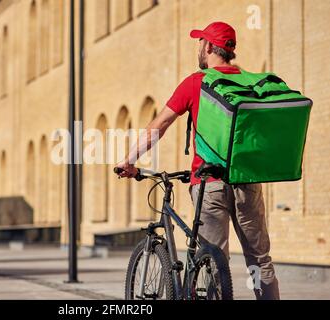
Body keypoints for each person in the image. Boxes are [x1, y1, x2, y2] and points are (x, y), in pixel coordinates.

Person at [116, 22, 280, 300]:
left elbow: (161, 124)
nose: (198, 48)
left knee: (214, 261)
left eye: (199, 42)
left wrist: (128, 161)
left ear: (207, 46)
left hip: (210, 185)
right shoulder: (251, 83)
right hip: (247, 181)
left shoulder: (197, 82)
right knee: (260, 260)